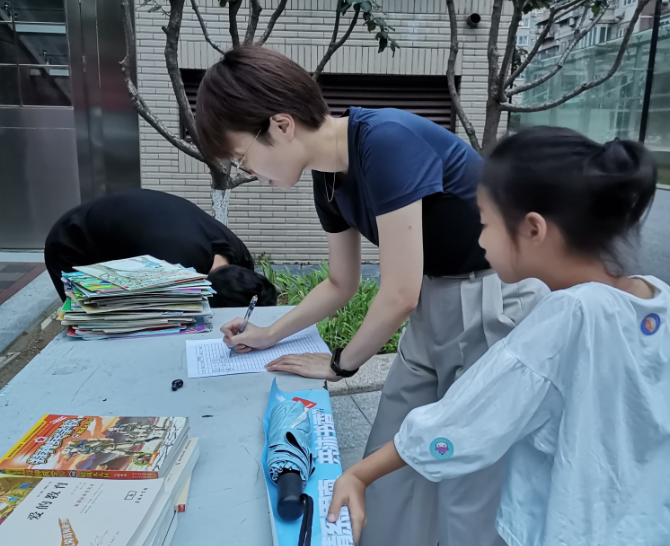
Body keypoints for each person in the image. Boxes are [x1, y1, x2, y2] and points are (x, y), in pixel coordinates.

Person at [195, 44, 548, 546]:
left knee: (468, 483)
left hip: (493, 302)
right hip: (433, 305)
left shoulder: (386, 142)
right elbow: (341, 282)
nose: (250, 173)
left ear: (281, 125)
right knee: (387, 467)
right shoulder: (327, 177)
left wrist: (340, 365)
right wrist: (268, 334)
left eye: (242, 157)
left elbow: (399, 291)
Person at [326, 127, 667, 546]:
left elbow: (467, 420)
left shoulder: (570, 315)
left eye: (485, 224)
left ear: (533, 229)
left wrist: (360, 474)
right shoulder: (656, 299)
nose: (480, 239)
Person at [44, 188, 277, 307]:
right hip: (75, 242)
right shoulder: (174, 269)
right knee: (97, 320)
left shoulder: (241, 258)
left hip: (130, 227)